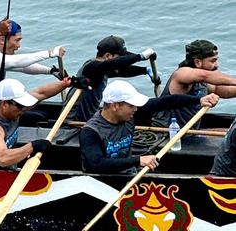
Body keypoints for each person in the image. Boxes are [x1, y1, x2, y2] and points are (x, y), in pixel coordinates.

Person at [80, 80, 218, 174]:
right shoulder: (91, 132)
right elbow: (97, 164)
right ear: (115, 106)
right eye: (131, 105)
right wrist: (138, 160)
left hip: (128, 174)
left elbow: (166, 102)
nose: (135, 109)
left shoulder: (130, 114)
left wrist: (199, 100)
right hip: (100, 182)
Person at [0, 77, 84, 169]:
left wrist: (68, 83)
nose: (24, 109)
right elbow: (3, 158)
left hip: (9, 169)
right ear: (4, 104)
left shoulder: (13, 110)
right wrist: (32, 146)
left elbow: (42, 93)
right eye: (21, 106)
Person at [152, 40, 236, 129]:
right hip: (166, 133)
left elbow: (219, 89)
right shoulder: (181, 74)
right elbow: (205, 76)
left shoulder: (203, 82)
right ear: (197, 62)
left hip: (190, 132)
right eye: (212, 61)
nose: (216, 65)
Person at [71, 35, 155, 122]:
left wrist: (144, 70)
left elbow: (123, 71)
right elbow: (114, 64)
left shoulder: (104, 70)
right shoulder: (92, 67)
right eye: (120, 58)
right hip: (73, 121)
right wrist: (140, 57)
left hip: (88, 118)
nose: (121, 62)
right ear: (108, 55)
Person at [0, 20, 65, 94]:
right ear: (2, 40)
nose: (18, 46)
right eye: (17, 40)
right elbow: (14, 62)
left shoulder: (0, 57)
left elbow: (23, 67)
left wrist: (51, 71)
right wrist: (49, 53)